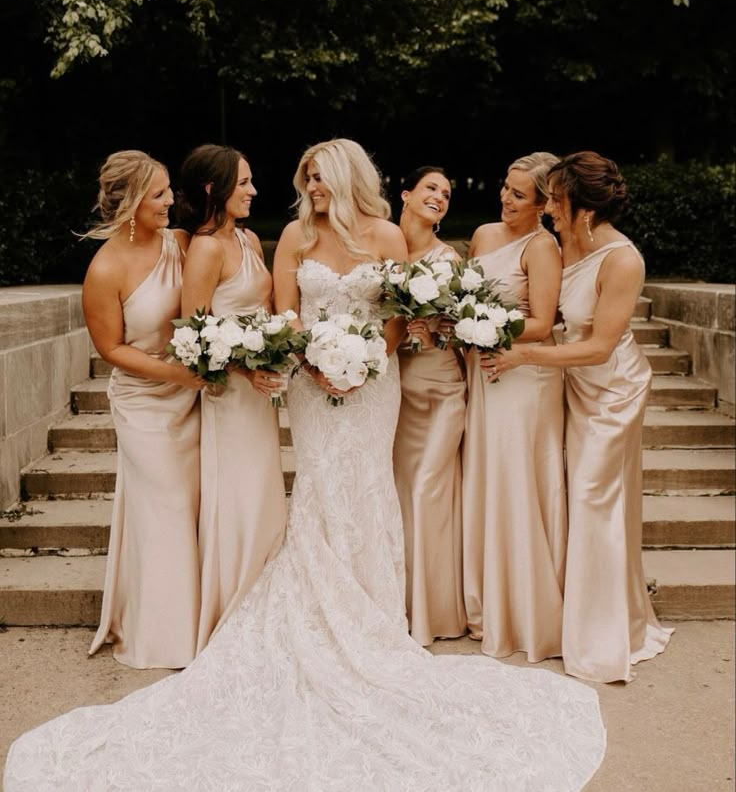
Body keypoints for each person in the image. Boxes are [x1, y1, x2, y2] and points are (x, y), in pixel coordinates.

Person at [4, 140, 605, 791]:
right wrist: (314, 362)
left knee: (369, 488)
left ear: (347, 177)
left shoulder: (384, 233)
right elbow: (284, 313)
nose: (311, 186)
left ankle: (374, 614)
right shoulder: (291, 233)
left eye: (319, 177)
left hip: (375, 387)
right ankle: (313, 610)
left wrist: (369, 359)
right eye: (306, 177)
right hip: (312, 387)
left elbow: (400, 317)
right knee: (321, 486)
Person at [487, 150, 673, 683]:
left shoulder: (623, 261)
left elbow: (598, 348)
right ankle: (585, 615)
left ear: (583, 210)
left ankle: (604, 634)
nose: (548, 210)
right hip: (572, 383)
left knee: (594, 494)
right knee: (580, 496)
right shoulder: (566, 242)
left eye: (557, 202)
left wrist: (522, 354)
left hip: (612, 390)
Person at [83, 150, 204, 670]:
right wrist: (178, 373)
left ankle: (199, 621)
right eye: (159, 193)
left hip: (191, 396)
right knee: (166, 507)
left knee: (193, 505)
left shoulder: (180, 244)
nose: (171, 200)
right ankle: (162, 634)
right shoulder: (105, 268)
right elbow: (111, 348)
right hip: (143, 402)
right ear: (130, 201)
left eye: (169, 188)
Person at [177, 144, 287, 653]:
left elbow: (263, 312)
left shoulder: (246, 240)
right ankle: (233, 607)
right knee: (236, 494)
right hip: (229, 396)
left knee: (262, 491)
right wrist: (245, 369)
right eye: (243, 182)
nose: (253, 190)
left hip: (258, 395)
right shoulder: (205, 249)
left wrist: (275, 353)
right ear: (212, 189)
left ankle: (268, 596)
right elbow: (193, 335)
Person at [462, 152, 567, 662]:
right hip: (483, 372)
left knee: (516, 477)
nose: (505, 198)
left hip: (523, 375)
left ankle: (525, 607)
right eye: (505, 187)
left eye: (519, 194)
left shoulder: (543, 247)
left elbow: (543, 322)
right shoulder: (482, 235)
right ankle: (487, 597)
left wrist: (481, 327)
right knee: (487, 473)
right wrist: (460, 320)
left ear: (545, 205)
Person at [393, 166, 467, 646]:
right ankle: (396, 605)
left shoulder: (450, 259)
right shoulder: (380, 248)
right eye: (430, 188)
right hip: (394, 392)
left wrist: (439, 329)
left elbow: (467, 328)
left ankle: (434, 614)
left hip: (442, 388)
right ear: (405, 194)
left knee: (427, 492)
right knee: (399, 497)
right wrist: (401, 333)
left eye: (445, 192)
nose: (439, 196)